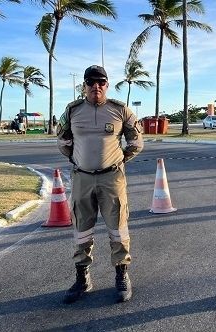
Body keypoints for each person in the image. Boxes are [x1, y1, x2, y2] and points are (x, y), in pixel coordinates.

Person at [57, 65, 144, 304]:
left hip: (111, 178)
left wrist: (119, 159)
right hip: (82, 178)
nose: (96, 86)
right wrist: (77, 159)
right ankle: (82, 277)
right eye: (91, 82)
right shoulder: (73, 110)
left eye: (101, 82)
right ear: (84, 85)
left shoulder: (120, 110)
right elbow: (62, 139)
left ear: (107, 85)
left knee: (118, 227)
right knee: (82, 228)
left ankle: (122, 275)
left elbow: (136, 141)